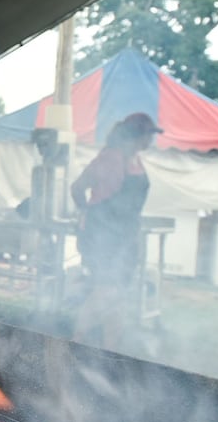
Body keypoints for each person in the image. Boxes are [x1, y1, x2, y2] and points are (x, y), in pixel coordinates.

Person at [69, 112, 163, 347]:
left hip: (124, 238)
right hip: (103, 238)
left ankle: (111, 349)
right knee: (106, 290)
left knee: (119, 295)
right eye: (149, 134)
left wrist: (132, 236)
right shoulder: (111, 158)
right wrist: (86, 214)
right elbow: (78, 187)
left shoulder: (136, 160)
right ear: (137, 135)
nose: (151, 139)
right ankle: (76, 341)